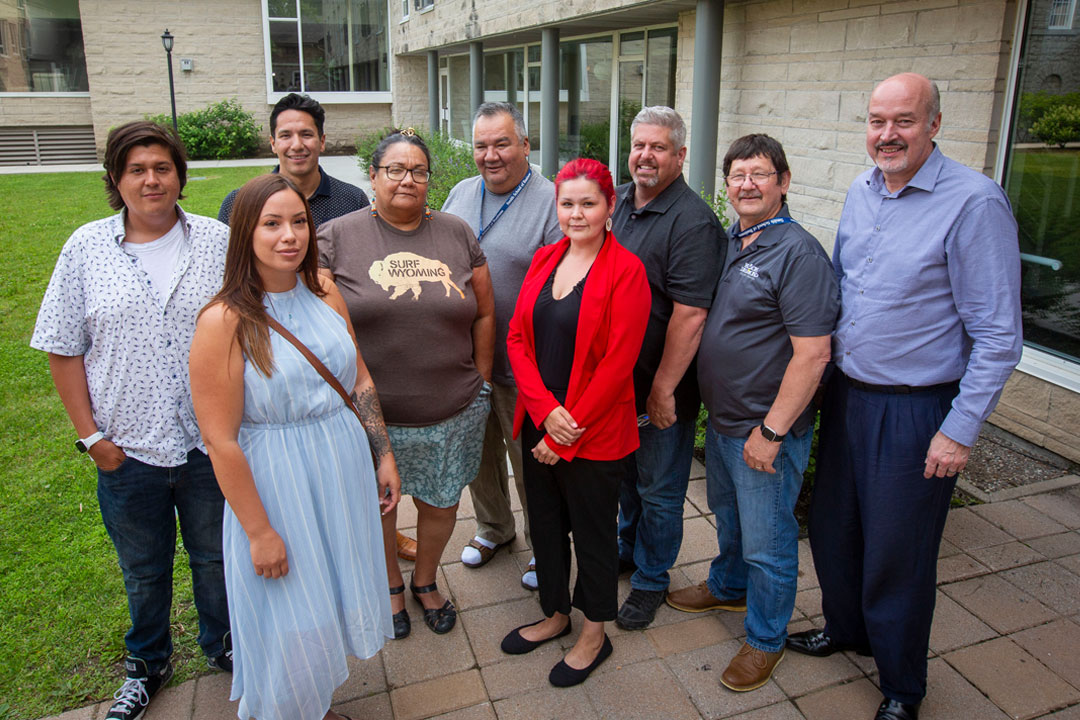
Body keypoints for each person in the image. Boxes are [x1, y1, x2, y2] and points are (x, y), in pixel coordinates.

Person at [787, 73, 1022, 720]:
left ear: (935, 125)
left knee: (899, 550)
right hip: (850, 397)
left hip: (917, 409)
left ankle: (900, 684)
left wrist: (960, 427)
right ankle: (847, 630)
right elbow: (840, 289)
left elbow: (999, 336)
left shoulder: (975, 204)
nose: (887, 134)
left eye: (904, 121)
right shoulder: (863, 190)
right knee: (835, 530)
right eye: (877, 120)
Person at [30, 121, 231, 720]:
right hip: (128, 451)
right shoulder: (85, 248)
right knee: (143, 572)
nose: (151, 180)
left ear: (180, 175)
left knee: (215, 559)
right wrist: (92, 438)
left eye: (162, 168)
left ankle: (224, 646)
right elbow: (63, 347)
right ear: (116, 180)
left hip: (210, 445)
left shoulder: (217, 241)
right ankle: (148, 663)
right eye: (137, 170)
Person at [190, 173, 398, 720]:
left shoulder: (325, 290)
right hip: (278, 480)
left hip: (341, 464)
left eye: (299, 221)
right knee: (291, 608)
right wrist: (259, 532)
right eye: (272, 224)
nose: (290, 235)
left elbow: (359, 379)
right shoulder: (224, 320)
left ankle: (315, 703)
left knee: (329, 592)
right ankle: (286, 709)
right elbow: (219, 438)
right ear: (245, 234)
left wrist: (382, 453)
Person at [667, 134, 838, 692]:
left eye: (759, 174)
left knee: (770, 541)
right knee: (732, 519)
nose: (746, 184)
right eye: (737, 175)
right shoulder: (736, 241)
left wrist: (771, 432)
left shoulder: (798, 253)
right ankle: (728, 583)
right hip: (723, 422)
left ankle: (765, 639)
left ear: (783, 183)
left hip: (765, 431)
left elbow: (813, 355)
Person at [218, 93, 416, 563]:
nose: (297, 143)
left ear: (323, 141)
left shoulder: (350, 200)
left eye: (306, 133)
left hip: (337, 350)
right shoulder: (240, 202)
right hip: (275, 357)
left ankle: (385, 534)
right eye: (286, 134)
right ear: (273, 142)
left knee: (355, 494)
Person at [318, 129, 495, 639]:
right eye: (394, 169)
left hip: (451, 408)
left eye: (418, 171)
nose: (407, 180)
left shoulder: (457, 233)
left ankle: (425, 581)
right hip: (371, 416)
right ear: (372, 176)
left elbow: (484, 312)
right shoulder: (335, 238)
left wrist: (482, 379)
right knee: (380, 506)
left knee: (441, 504)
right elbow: (315, 325)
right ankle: (391, 585)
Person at [502, 158, 650, 687]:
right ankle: (555, 613)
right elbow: (517, 338)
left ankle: (594, 633)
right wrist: (545, 415)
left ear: (610, 207)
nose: (576, 213)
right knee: (544, 526)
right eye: (567, 203)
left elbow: (619, 362)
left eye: (588, 203)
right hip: (542, 420)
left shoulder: (626, 270)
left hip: (594, 432)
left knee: (592, 537)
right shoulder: (545, 258)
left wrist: (567, 431)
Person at [612, 106, 725, 630]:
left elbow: (690, 315)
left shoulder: (693, 222)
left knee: (659, 487)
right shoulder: (619, 203)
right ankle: (627, 549)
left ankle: (652, 579)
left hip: (661, 388)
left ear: (680, 155)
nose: (645, 156)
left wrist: (662, 391)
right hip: (618, 385)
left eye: (659, 147)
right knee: (628, 480)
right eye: (639, 145)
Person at [442, 102, 563, 589]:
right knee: (478, 455)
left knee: (529, 461)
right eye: (481, 145)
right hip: (465, 360)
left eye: (502, 143)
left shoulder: (552, 201)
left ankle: (543, 543)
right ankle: (494, 528)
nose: (490, 155)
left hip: (524, 364)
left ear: (525, 146)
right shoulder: (460, 193)